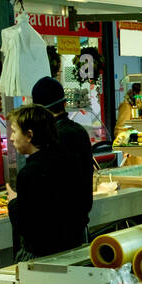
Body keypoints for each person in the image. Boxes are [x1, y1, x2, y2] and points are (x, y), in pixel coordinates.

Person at [5, 105, 82, 261]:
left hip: (40, 256)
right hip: (73, 248)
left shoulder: (29, 173)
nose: (11, 138)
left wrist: (13, 202)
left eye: (14, 131)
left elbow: (27, 226)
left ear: (29, 135)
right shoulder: (70, 161)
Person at [31, 76, 93, 227]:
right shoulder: (79, 131)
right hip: (80, 219)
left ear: (38, 111)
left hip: (57, 227)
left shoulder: (51, 138)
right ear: (65, 103)